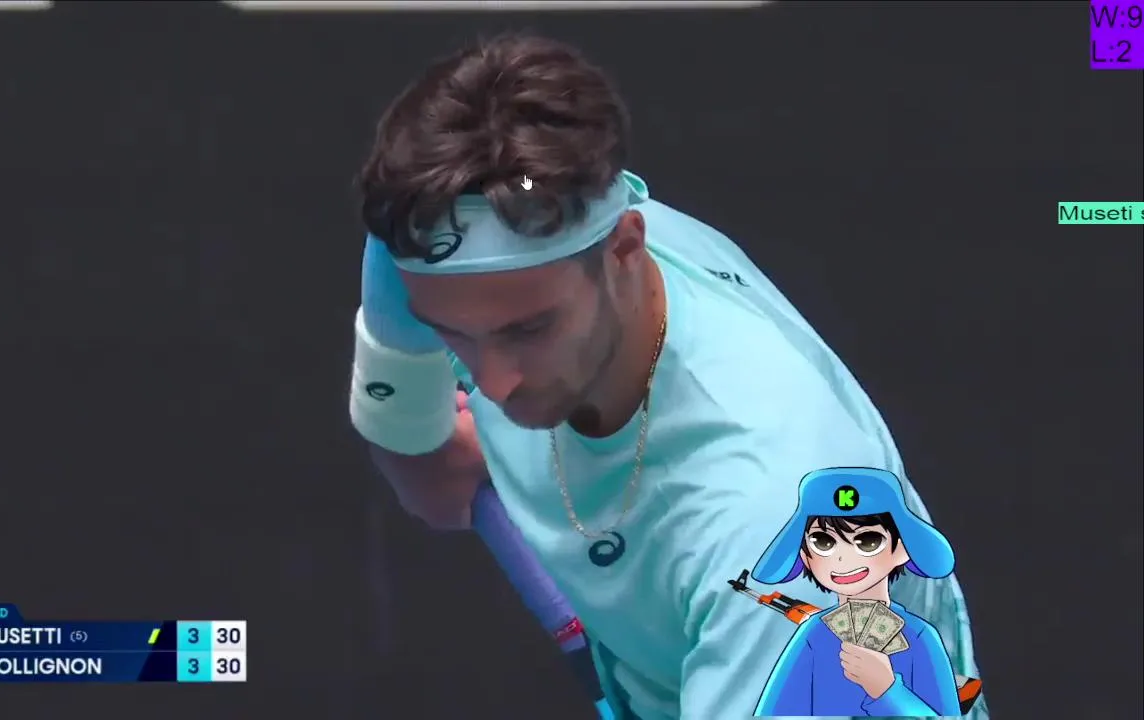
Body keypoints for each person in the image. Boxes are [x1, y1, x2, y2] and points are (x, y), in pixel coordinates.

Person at [348, 33, 986, 720]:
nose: (494, 386)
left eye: (526, 330)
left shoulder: (774, 521)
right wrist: (409, 432)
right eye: (453, 333)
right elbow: (394, 276)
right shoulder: (447, 242)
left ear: (626, 248)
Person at [752, 467, 961, 716]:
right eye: (823, 542)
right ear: (805, 555)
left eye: (868, 541)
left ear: (902, 550)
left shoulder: (920, 636)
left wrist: (888, 690)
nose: (842, 558)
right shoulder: (814, 634)